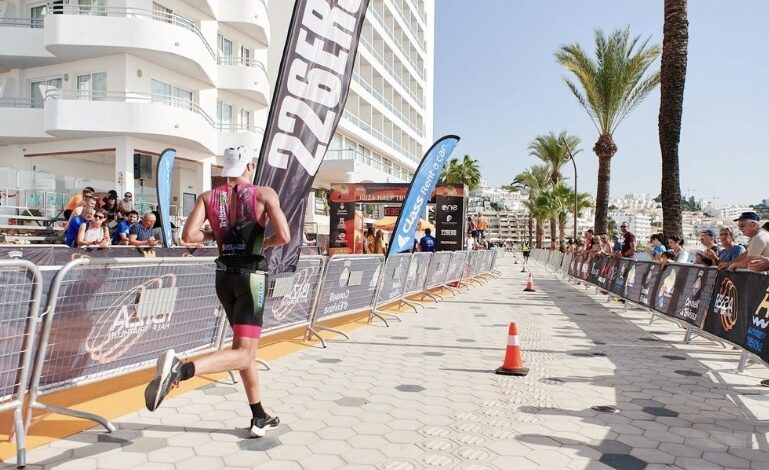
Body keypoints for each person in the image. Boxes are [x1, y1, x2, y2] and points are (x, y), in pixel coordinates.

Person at [144, 147, 290, 439]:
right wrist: (264, 244)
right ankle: (181, 370)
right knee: (243, 351)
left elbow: (188, 237)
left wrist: (214, 235)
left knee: (244, 351)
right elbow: (285, 236)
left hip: (224, 278)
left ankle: (259, 415)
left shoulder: (208, 197)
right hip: (251, 278)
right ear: (249, 166)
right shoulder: (264, 194)